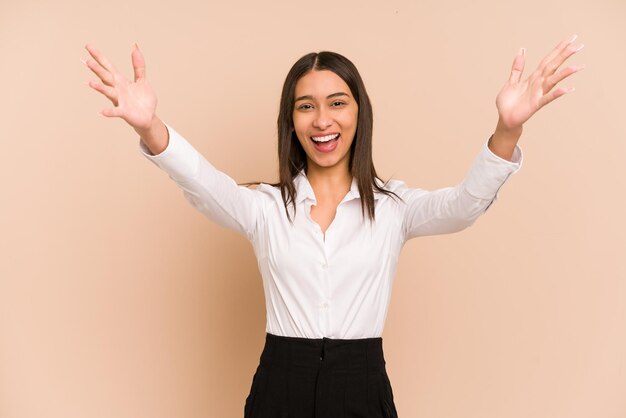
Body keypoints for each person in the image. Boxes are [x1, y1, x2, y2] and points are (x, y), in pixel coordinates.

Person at [82, 35, 584, 418]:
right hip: (280, 384)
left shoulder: (393, 208)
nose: (322, 120)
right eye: (306, 106)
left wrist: (508, 128)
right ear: (292, 121)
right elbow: (204, 184)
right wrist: (149, 125)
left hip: (362, 385)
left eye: (337, 102)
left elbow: (464, 205)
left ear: (359, 112)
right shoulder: (264, 209)